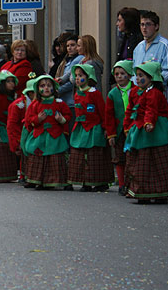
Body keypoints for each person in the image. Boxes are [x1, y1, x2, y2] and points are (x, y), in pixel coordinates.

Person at [123, 62, 168, 202]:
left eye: (141, 76)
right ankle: (141, 190)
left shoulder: (154, 93)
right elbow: (130, 110)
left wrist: (149, 122)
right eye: (137, 76)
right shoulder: (135, 92)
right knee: (140, 161)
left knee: (156, 160)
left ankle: (159, 192)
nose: (137, 79)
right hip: (139, 129)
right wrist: (127, 126)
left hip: (156, 130)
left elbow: (152, 109)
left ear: (151, 78)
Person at [67, 64, 113, 192]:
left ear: (88, 77)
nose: (77, 78)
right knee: (80, 155)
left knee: (94, 156)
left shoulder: (94, 93)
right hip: (80, 128)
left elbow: (102, 111)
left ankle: (99, 182)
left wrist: (105, 128)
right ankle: (84, 181)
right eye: (76, 76)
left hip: (93, 128)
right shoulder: (77, 94)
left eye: (80, 75)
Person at [23, 75, 72, 189]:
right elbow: (29, 119)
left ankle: (55, 181)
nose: (46, 88)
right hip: (39, 136)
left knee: (54, 158)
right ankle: (39, 180)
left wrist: (61, 120)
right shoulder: (35, 104)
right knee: (39, 158)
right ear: (38, 89)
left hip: (54, 135)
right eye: (42, 86)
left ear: (53, 88)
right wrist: (37, 120)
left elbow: (68, 114)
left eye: (49, 86)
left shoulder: (59, 103)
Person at [105, 60, 134, 196]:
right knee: (119, 158)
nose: (119, 76)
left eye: (122, 73)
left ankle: (132, 184)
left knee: (132, 157)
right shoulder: (112, 94)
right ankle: (122, 184)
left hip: (133, 129)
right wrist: (111, 134)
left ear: (129, 74)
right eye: (116, 74)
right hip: (119, 130)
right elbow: (109, 115)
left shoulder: (135, 90)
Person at [132, 11, 168, 88]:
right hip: (138, 92)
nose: (144, 27)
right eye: (142, 24)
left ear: (156, 26)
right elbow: (134, 71)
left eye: (148, 24)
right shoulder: (138, 47)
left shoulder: (165, 45)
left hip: (157, 92)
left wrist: (154, 84)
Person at [8, 76, 38, 184]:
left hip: (37, 133)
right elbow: (12, 125)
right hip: (24, 133)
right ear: (29, 93)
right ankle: (24, 175)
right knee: (25, 155)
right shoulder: (17, 105)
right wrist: (16, 142)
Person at [55, 34, 84, 121]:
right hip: (65, 101)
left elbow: (72, 81)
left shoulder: (79, 59)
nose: (69, 48)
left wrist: (59, 90)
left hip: (71, 100)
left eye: (73, 45)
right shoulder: (68, 59)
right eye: (67, 46)